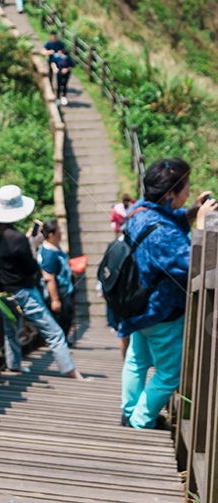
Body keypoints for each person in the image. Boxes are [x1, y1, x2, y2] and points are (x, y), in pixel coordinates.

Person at [119, 158, 217, 430]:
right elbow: (192, 264)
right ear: (171, 193)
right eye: (186, 187)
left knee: (137, 361)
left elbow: (166, 220)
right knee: (169, 374)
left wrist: (192, 211)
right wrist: (201, 224)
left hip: (139, 305)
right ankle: (140, 422)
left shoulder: (139, 210)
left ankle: (129, 411)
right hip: (162, 312)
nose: (189, 191)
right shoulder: (163, 235)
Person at [0, 185, 84, 379]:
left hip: (4, 293)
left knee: (11, 330)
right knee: (53, 332)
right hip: (24, 292)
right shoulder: (18, 239)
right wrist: (31, 245)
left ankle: (14, 365)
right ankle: (71, 371)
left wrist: (28, 242)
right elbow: (31, 268)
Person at [38, 220, 74, 340]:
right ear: (51, 235)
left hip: (65, 290)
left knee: (67, 318)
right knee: (60, 320)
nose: (62, 233)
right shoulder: (48, 254)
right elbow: (49, 278)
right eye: (59, 231)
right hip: (57, 292)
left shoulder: (56, 247)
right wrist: (55, 300)